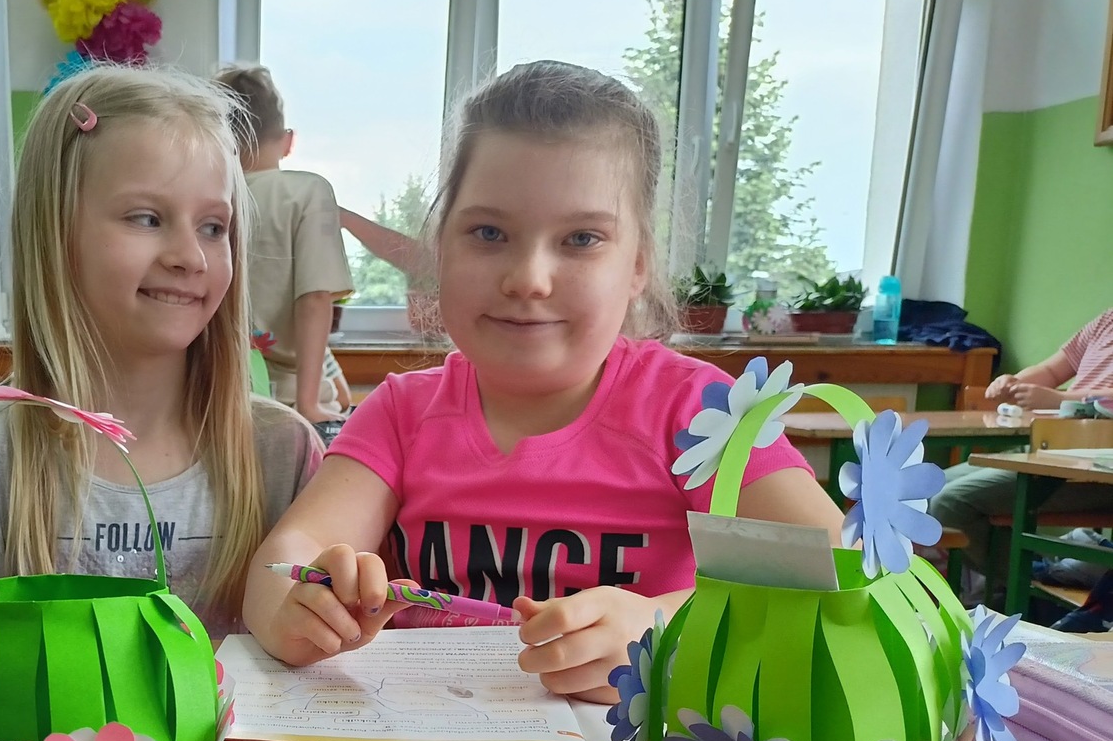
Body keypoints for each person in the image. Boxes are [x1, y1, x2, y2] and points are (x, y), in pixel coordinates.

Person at [242, 60, 844, 705]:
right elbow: (285, 559)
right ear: (441, 248)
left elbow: (836, 577)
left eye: (581, 239)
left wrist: (667, 628)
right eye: (488, 233)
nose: (528, 278)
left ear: (637, 266)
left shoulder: (699, 410)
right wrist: (298, 607)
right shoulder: (400, 414)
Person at [0, 65, 323, 640]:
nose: (191, 256)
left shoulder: (284, 456)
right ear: (54, 231)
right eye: (147, 218)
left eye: (214, 228)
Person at [214, 63, 354, 437]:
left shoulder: (210, 196)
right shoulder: (306, 192)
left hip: (222, 390)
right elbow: (314, 298)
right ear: (288, 140)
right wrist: (309, 403)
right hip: (287, 404)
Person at [931, 309, 1113, 580]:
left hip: (1097, 469)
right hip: (1052, 451)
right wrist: (1014, 383)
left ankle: (1041, 579)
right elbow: (1051, 370)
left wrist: (1059, 399)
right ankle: (1047, 572)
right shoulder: (1107, 320)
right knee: (926, 493)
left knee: (950, 505)